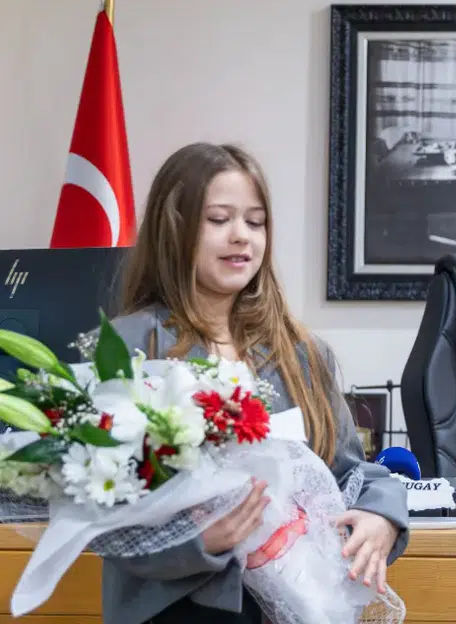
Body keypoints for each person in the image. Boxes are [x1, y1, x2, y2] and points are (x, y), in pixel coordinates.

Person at [99, 143, 410, 624]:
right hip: (178, 611)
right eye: (219, 219)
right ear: (174, 228)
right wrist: (197, 543)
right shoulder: (132, 346)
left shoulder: (302, 353)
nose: (241, 236)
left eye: (256, 221)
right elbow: (104, 511)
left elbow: (349, 473)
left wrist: (383, 515)